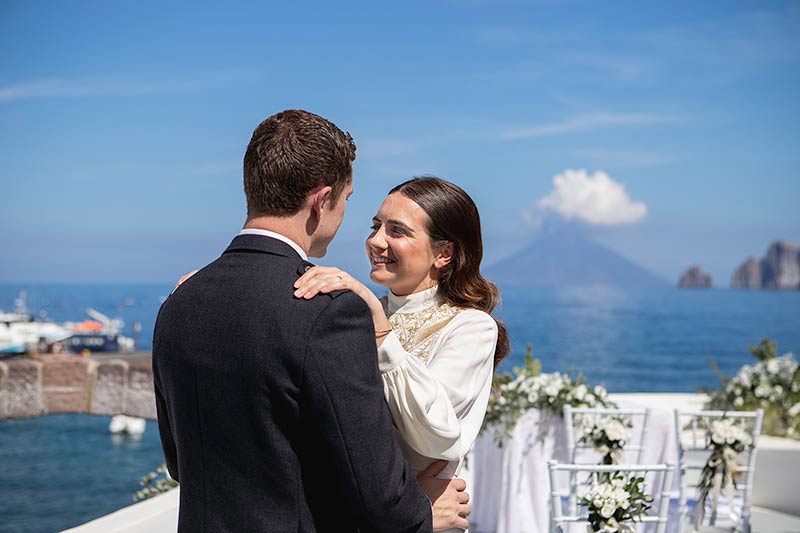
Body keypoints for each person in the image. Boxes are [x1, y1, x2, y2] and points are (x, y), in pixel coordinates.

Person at [153, 110, 471, 532]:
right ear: (321, 201)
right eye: (347, 200)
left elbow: (179, 460)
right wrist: (426, 517)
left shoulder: (179, 302)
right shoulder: (328, 311)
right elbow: (372, 484)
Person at [293, 177, 510, 533]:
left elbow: (435, 434)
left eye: (398, 231)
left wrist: (379, 327)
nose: (377, 241)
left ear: (444, 253)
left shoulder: (471, 328)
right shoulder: (359, 314)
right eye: (376, 227)